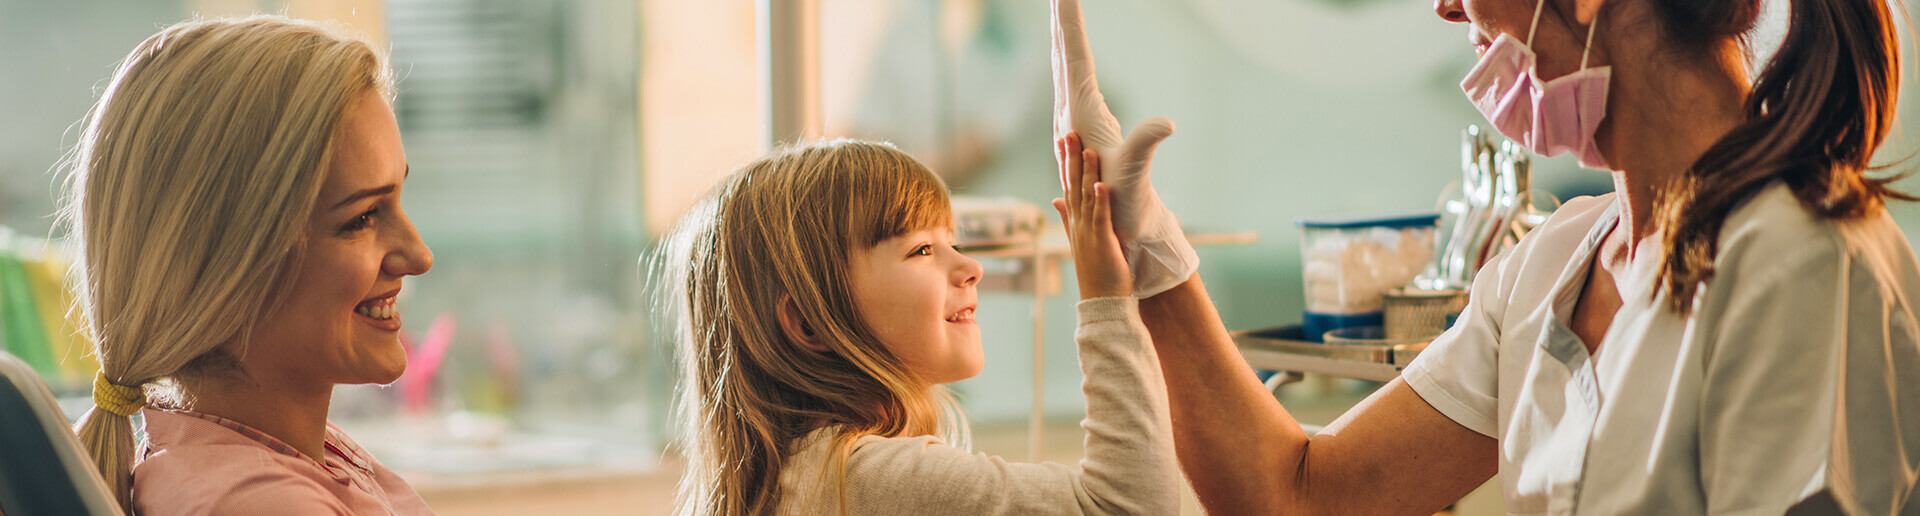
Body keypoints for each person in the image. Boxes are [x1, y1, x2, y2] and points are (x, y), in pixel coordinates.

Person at [1051, 0, 1920, 513]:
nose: (1442, 5)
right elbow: (1300, 494)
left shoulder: (1804, 261)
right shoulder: (1551, 269)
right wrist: (1144, 244)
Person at [660, 138, 1178, 514]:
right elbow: (1132, 506)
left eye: (952, 241)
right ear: (810, 324)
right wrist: (1107, 300)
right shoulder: (868, 480)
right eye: (923, 249)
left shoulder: (790, 478)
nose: (970, 267)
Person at [65, 15, 436, 514]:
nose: (419, 255)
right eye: (363, 217)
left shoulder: (284, 459)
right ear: (225, 268)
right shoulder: (259, 503)